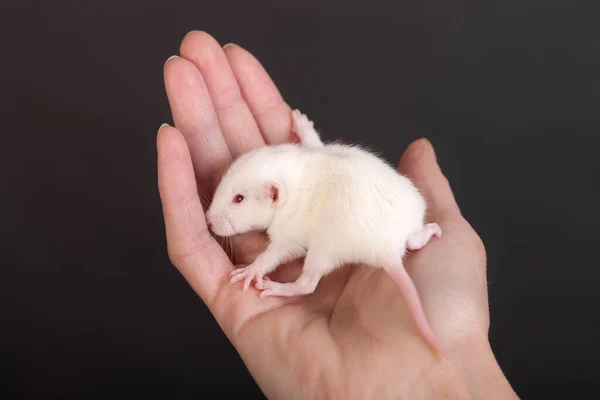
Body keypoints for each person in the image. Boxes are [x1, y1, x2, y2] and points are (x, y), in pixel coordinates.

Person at [156, 31, 519, 400]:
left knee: (327, 230)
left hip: (354, 232)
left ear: (273, 194)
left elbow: (287, 243)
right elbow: (318, 152)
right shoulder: (307, 162)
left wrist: (258, 267)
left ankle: (303, 283)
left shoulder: (292, 206)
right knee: (405, 195)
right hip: (396, 218)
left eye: (234, 200)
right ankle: (412, 236)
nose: (215, 218)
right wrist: (306, 133)